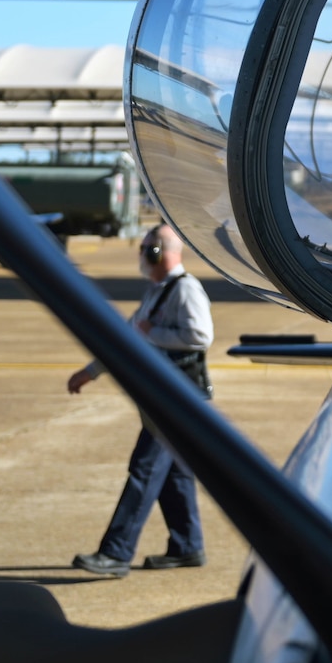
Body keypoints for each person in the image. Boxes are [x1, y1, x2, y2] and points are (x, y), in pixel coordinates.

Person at [67, 224, 214, 577]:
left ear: (161, 253)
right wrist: (91, 371)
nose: (142, 256)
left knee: (145, 468)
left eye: (147, 248)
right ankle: (186, 547)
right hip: (160, 396)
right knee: (174, 474)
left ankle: (116, 553)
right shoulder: (156, 291)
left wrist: (152, 334)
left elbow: (200, 336)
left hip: (177, 400)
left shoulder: (185, 289)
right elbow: (125, 339)